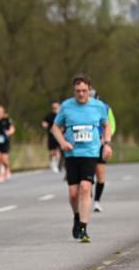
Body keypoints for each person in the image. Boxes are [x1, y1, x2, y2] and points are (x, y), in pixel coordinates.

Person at [49, 74, 111, 243]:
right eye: (78, 91)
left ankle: (83, 227)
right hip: (72, 154)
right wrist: (63, 143)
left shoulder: (98, 106)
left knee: (85, 188)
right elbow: (55, 128)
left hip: (90, 153)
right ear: (74, 91)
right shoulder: (66, 106)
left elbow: (107, 126)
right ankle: (77, 216)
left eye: (84, 91)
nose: (81, 94)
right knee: (73, 193)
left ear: (89, 90)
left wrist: (107, 144)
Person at [89, 85, 116, 213]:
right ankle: (87, 192)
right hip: (86, 144)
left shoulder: (105, 108)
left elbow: (111, 125)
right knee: (88, 172)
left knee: (100, 173)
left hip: (100, 143)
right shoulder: (80, 107)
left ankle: (97, 201)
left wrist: (106, 140)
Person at [41, 101, 62, 173]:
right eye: (53, 108)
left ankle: (57, 164)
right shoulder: (49, 116)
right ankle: (52, 162)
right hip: (51, 136)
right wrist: (44, 124)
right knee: (52, 151)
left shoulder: (62, 115)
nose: (54, 109)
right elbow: (44, 122)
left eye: (56, 107)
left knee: (58, 151)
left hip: (60, 136)